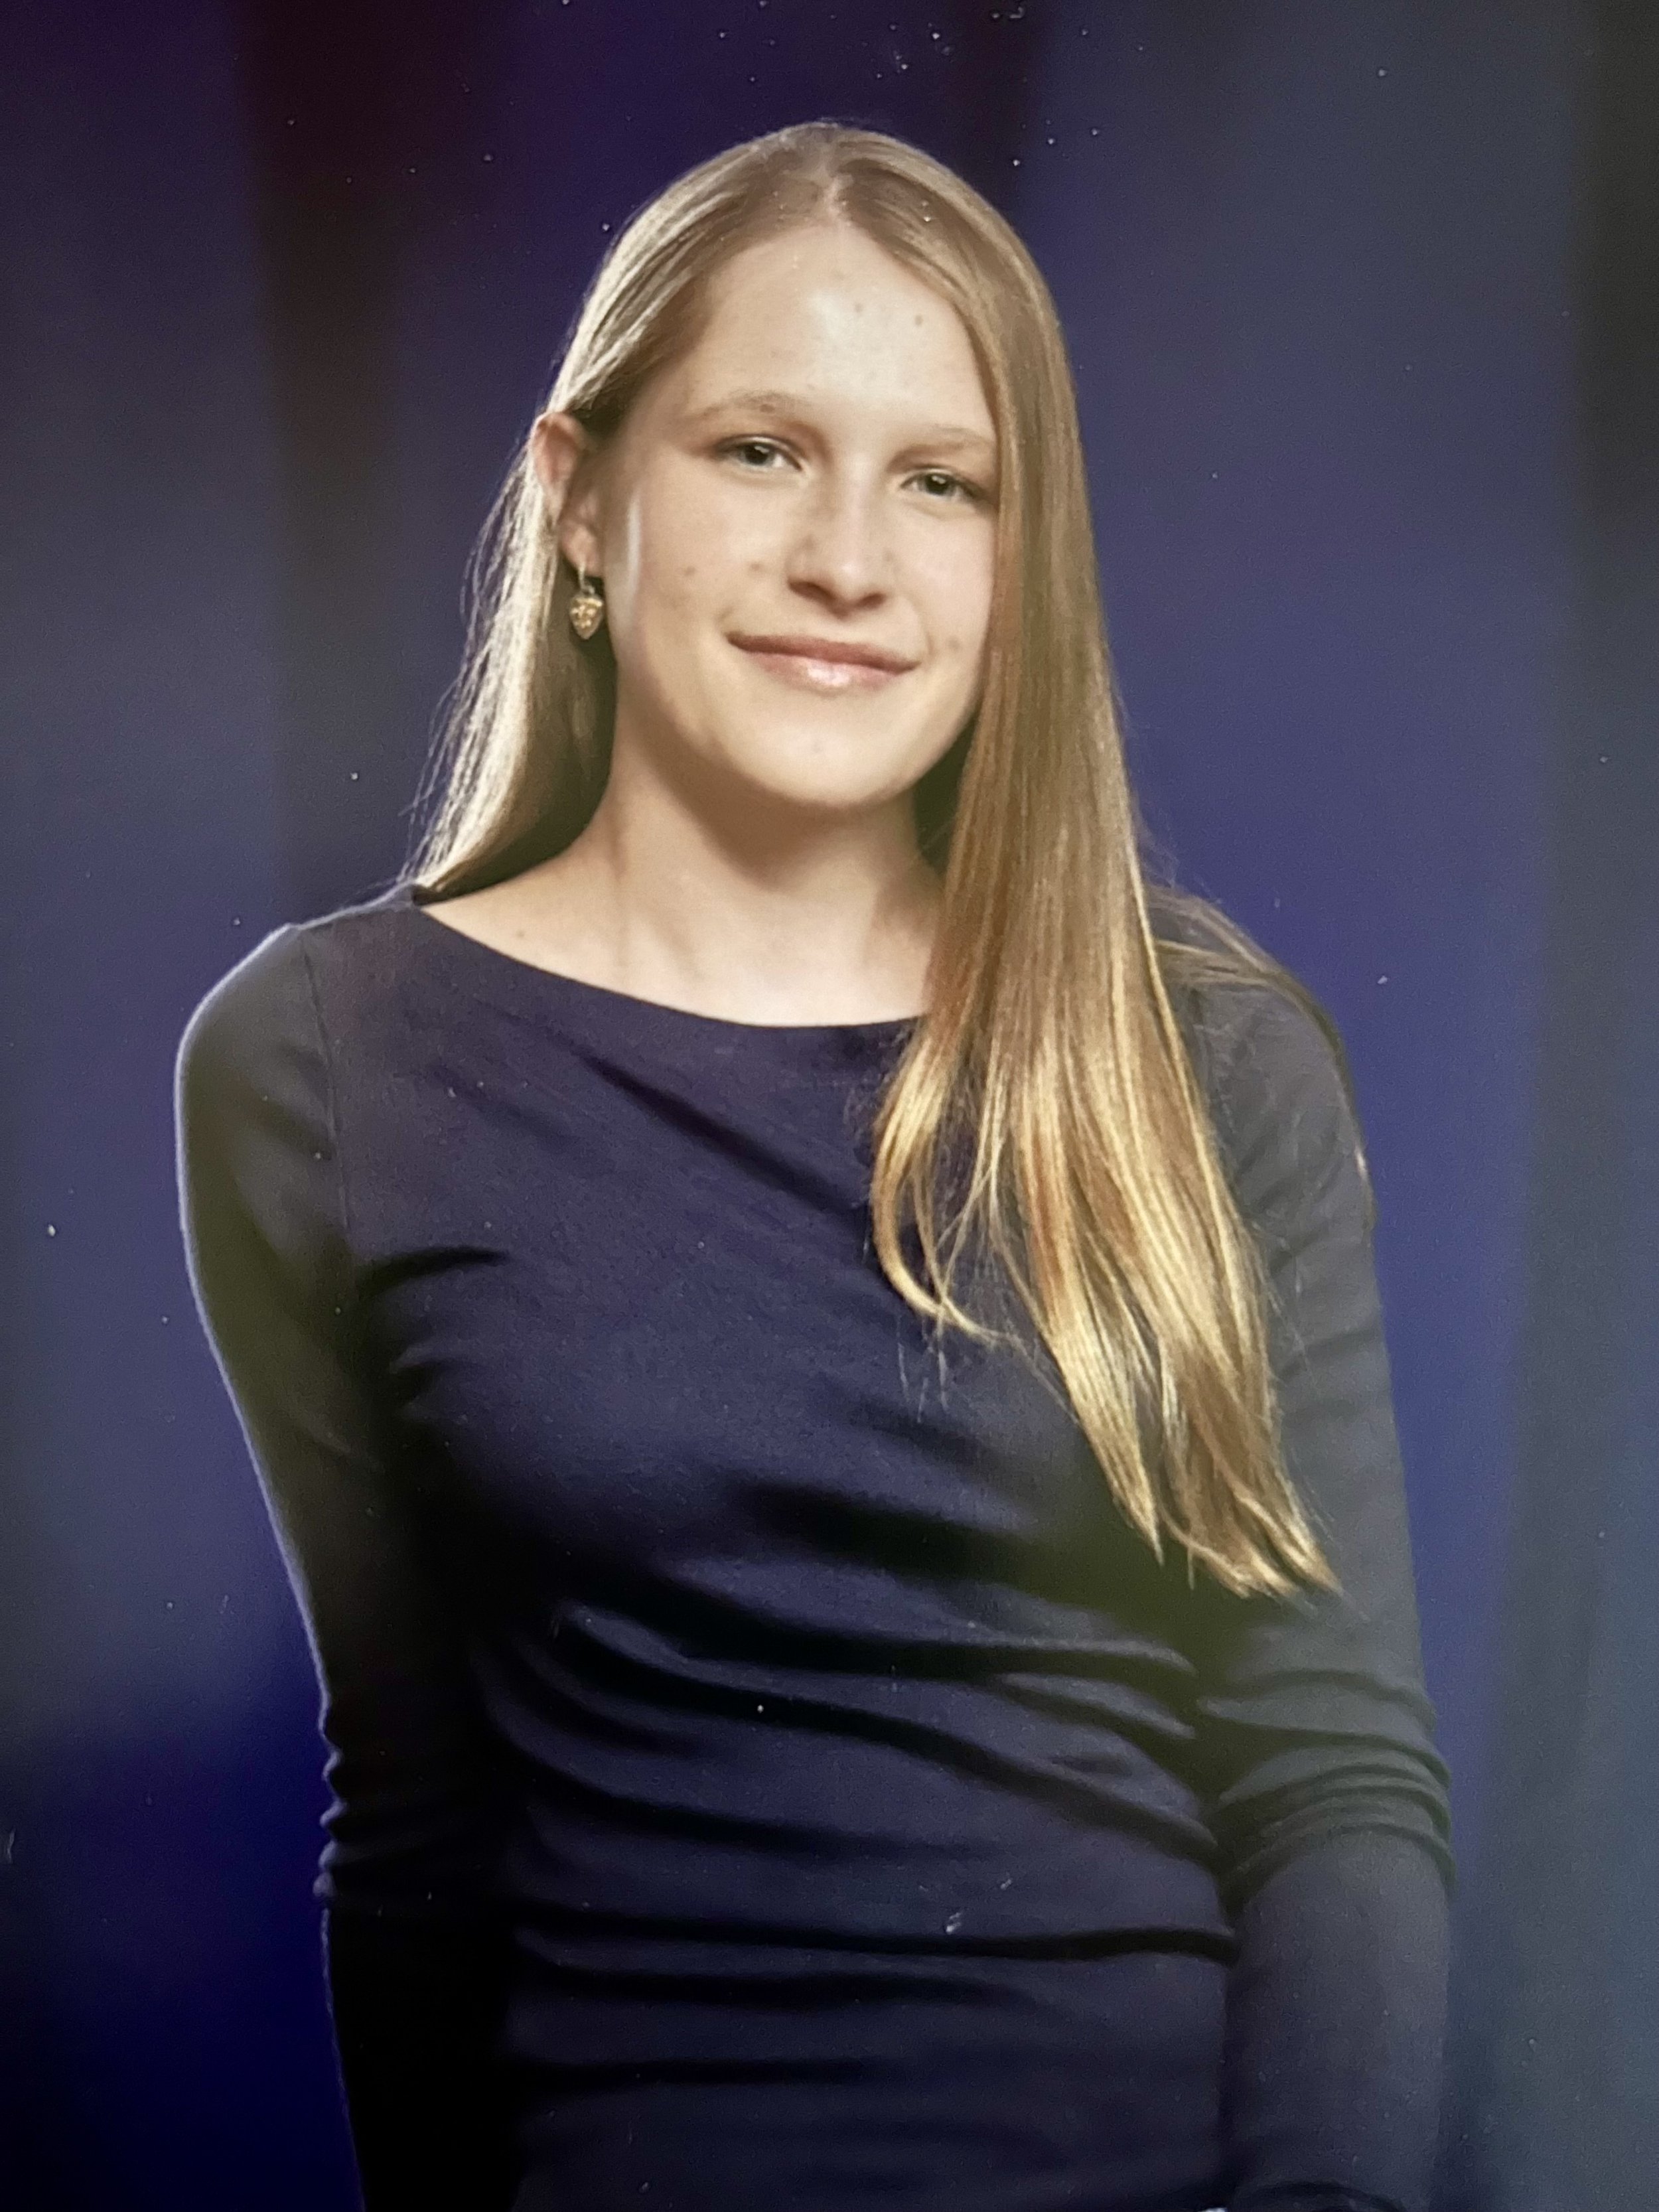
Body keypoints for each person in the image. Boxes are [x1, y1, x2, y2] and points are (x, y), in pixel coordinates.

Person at [175, 121, 1453, 2212]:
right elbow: (412, 1818)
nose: (848, 558)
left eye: (943, 483)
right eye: (761, 450)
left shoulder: (1204, 1063)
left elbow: (1330, 1779)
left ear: (1019, 567)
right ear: (579, 500)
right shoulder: (321, 1062)